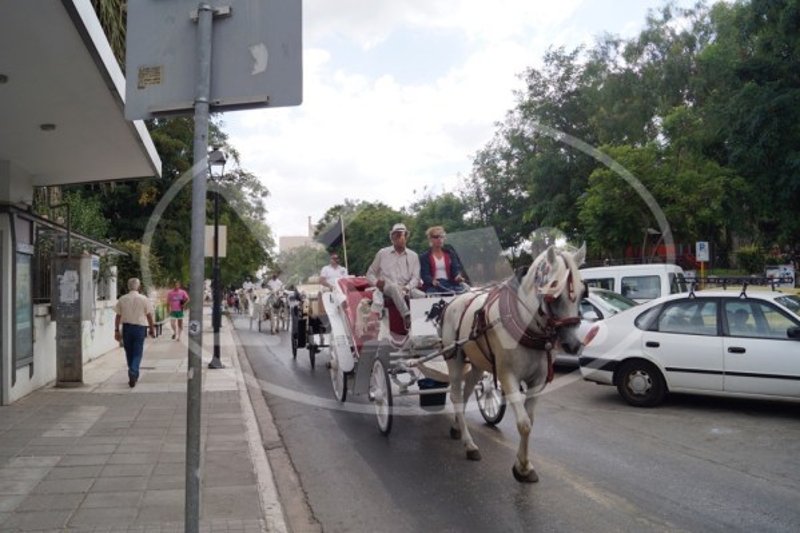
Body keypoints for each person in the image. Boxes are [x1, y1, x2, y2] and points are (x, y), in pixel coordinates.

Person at [366, 222, 421, 329]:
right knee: (394, 287)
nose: (400, 238)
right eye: (397, 235)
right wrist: (376, 282)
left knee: (422, 295)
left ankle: (425, 325)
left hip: (406, 287)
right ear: (392, 238)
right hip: (387, 287)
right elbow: (370, 273)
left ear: (406, 237)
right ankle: (407, 315)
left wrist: (407, 288)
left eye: (403, 235)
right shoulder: (383, 253)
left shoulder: (413, 256)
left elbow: (416, 278)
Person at [114, 278, 156, 388]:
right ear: (138, 287)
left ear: (128, 287)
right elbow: (149, 316)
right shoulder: (144, 299)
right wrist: (152, 329)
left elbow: (118, 316)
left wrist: (116, 330)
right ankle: (133, 371)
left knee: (129, 351)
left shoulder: (122, 299)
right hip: (139, 329)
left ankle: (133, 372)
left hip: (127, 328)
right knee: (137, 352)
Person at [419, 226, 468, 294]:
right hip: (434, 286)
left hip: (450, 284)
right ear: (430, 239)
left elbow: (456, 269)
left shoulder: (450, 254)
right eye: (436, 237)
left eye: (441, 236)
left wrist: (458, 276)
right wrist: (432, 281)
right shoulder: (424, 257)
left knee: (465, 290)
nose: (439, 239)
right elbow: (425, 274)